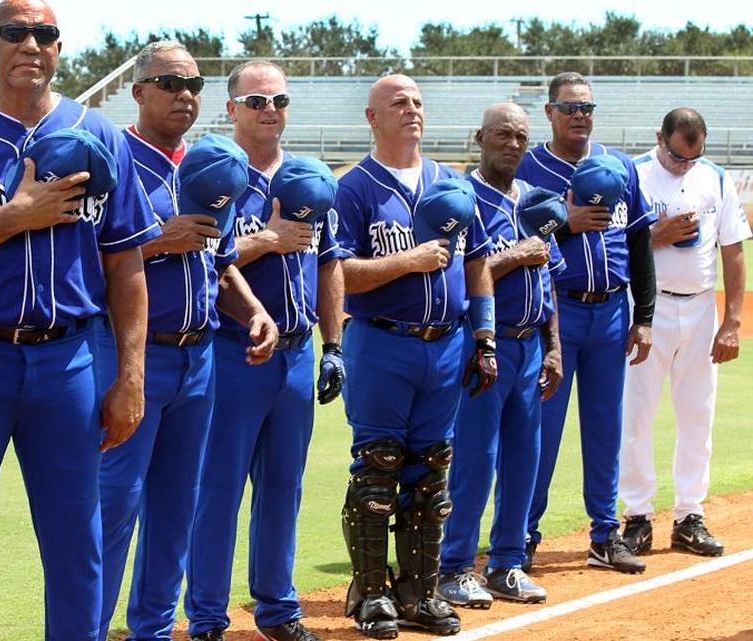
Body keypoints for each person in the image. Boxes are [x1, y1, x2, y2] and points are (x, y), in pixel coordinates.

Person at [0, 1, 161, 639]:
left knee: (78, 541)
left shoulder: (99, 133)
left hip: (69, 360)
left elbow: (126, 265)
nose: (30, 44)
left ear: (58, 47)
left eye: (44, 33)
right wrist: (11, 217)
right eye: (15, 33)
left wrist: (130, 375)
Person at [97, 41, 279, 641]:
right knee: (113, 509)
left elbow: (219, 262)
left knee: (178, 510)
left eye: (195, 86)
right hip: (133, 354)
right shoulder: (113, 155)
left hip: (200, 355)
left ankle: (150, 631)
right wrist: (155, 238)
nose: (185, 95)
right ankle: (90, 628)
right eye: (171, 84)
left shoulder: (206, 163)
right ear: (139, 90)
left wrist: (254, 311)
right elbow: (79, 259)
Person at [185, 60, 347, 641]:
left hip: (298, 352)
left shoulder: (308, 177)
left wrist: (334, 346)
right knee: (219, 488)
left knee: (284, 485)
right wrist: (266, 240)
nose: (269, 110)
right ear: (231, 109)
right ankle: (206, 616)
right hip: (233, 350)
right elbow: (203, 259)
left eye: (278, 100)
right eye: (255, 101)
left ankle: (278, 608)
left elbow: (330, 263)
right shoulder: (214, 173)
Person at [332, 74, 496, 638]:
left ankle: (421, 592)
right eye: (399, 103)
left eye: (418, 102)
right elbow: (338, 271)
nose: (412, 110)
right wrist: (407, 261)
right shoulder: (354, 188)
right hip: (381, 342)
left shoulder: (450, 183)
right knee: (377, 470)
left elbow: (476, 264)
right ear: (372, 118)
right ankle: (372, 594)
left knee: (431, 475)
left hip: (447, 344)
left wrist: (486, 336)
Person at [516, 71, 657, 574]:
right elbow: (517, 239)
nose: (580, 116)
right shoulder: (529, 169)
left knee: (604, 428)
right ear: (549, 111)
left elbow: (639, 241)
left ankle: (604, 532)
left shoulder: (617, 165)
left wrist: (644, 317)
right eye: (570, 107)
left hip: (612, 311)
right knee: (542, 431)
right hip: (557, 312)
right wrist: (565, 223)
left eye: (587, 108)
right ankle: (523, 534)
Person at [437, 103, 563, 610]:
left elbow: (548, 276)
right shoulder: (462, 198)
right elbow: (458, 272)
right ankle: (454, 566)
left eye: (521, 137)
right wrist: (516, 255)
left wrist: (554, 346)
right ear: (480, 137)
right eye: (503, 135)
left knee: (524, 457)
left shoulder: (535, 200)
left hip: (531, 343)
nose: (513, 145)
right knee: (476, 456)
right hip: (481, 345)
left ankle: (507, 562)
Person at [619, 108, 750, 557]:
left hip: (698, 308)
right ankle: (636, 516)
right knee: (637, 414)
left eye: (691, 158)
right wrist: (653, 234)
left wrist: (731, 321)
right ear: (660, 138)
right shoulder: (633, 175)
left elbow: (732, 250)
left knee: (698, 414)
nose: (683, 165)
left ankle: (689, 515)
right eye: (676, 157)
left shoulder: (713, 177)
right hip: (646, 311)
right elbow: (610, 245)